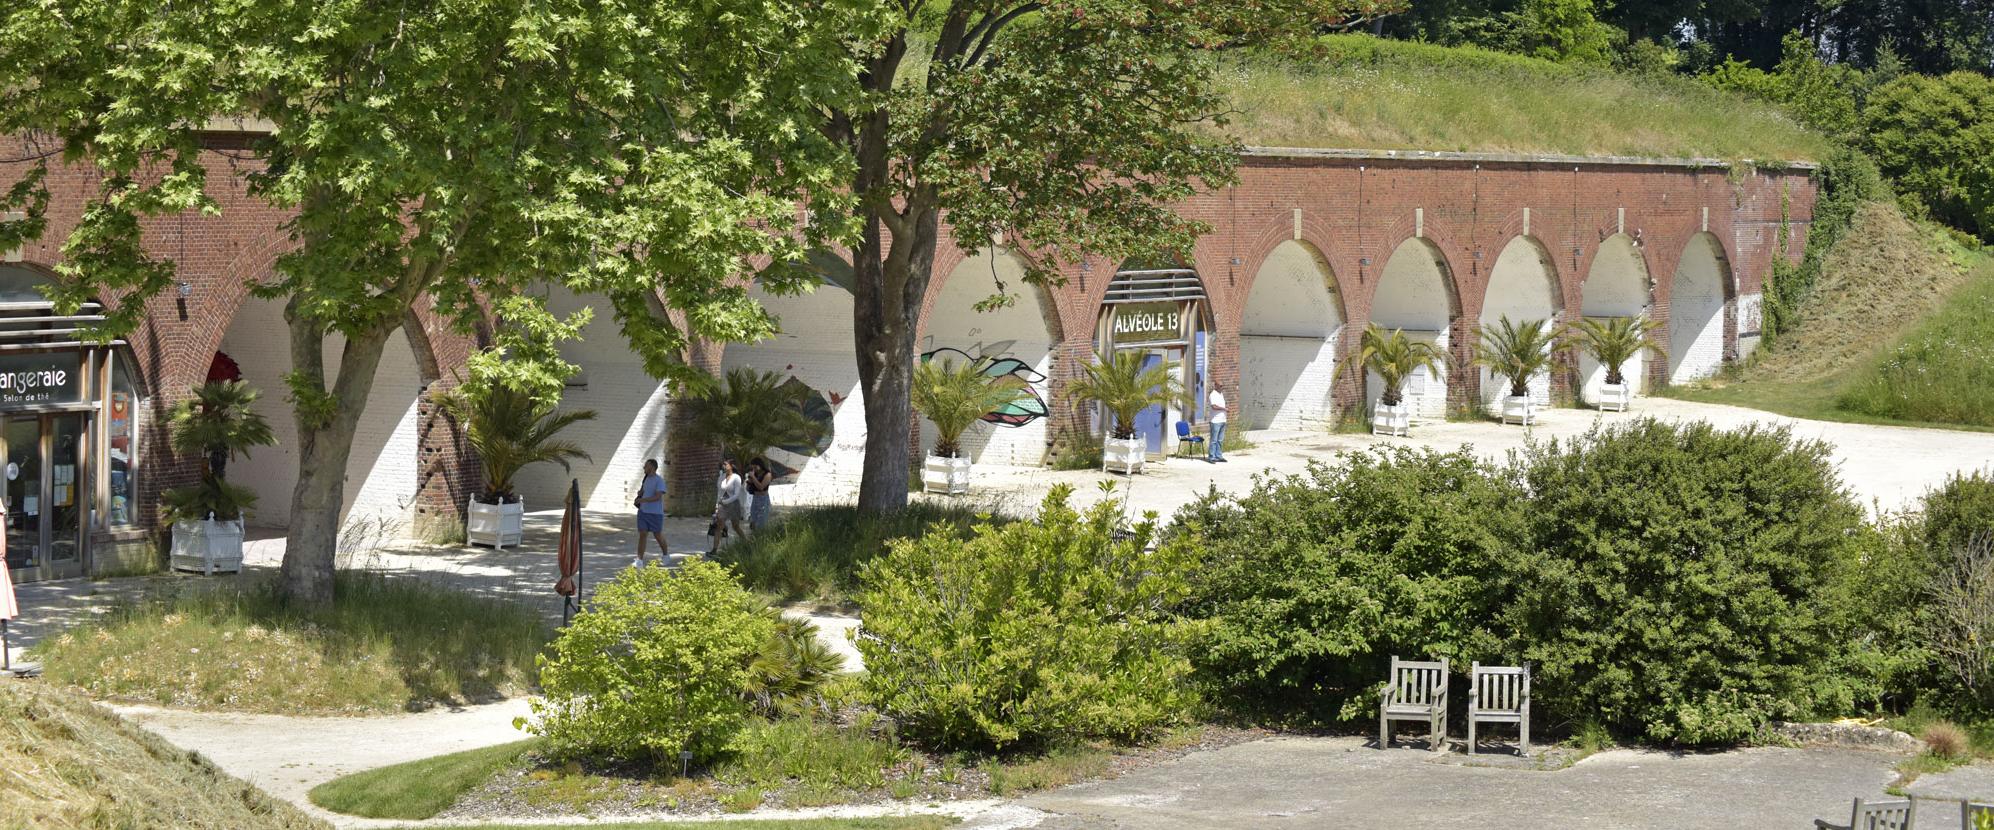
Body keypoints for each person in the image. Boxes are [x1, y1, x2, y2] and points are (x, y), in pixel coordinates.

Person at [631, 458, 668, 568]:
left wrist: (642, 500)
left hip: (655, 513)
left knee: (657, 535)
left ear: (652, 467)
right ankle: (639, 560)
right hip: (643, 512)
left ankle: (666, 555)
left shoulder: (659, 481)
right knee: (642, 534)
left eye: (646, 466)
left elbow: (657, 497)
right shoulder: (646, 479)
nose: (644, 468)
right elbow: (644, 491)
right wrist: (641, 493)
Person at [712, 459, 748, 550]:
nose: (724, 466)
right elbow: (719, 492)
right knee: (719, 526)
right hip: (722, 505)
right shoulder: (722, 477)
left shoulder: (736, 477)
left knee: (735, 526)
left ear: (731, 466)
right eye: (723, 465)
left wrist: (726, 502)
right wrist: (717, 505)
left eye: (726, 464)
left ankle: (747, 543)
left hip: (733, 505)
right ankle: (714, 549)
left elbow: (736, 494)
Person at [745, 458, 775, 531]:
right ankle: (754, 536)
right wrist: (749, 482)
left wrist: (753, 477)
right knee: (753, 519)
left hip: (763, 498)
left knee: (762, 521)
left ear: (760, 465)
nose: (754, 469)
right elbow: (748, 488)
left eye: (755, 467)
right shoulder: (754, 474)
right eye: (753, 468)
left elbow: (761, 487)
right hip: (755, 498)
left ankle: (761, 537)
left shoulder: (767, 474)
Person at [1207, 384, 1229, 462]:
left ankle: (1219, 456)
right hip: (1215, 421)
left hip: (1222, 420)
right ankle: (1211, 457)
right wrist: (1224, 409)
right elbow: (1214, 406)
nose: (1222, 387)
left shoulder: (1221, 394)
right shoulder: (1213, 395)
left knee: (1220, 440)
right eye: (1220, 386)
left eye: (1222, 386)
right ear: (1215, 386)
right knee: (1214, 440)